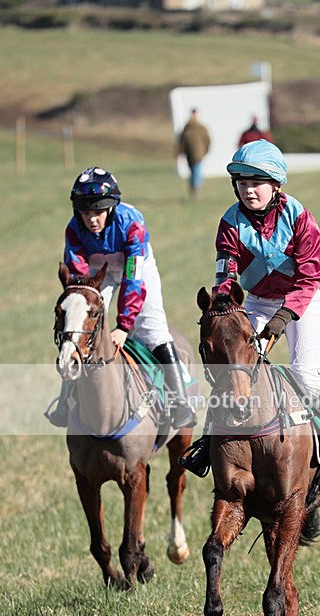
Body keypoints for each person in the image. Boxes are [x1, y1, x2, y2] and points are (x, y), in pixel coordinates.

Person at [180, 139, 320, 487]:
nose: (248, 191)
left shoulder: (299, 218)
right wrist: (224, 307)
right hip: (255, 302)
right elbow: (225, 272)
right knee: (232, 369)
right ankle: (207, 446)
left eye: (255, 184)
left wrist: (283, 318)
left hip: (302, 302)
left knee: (306, 374)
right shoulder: (230, 222)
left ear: (275, 184)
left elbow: (310, 276)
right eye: (242, 184)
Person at [46, 166, 196, 430]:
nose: (92, 219)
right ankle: (64, 401)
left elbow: (133, 278)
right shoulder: (73, 230)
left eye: (98, 212)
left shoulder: (131, 223)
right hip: (97, 273)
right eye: (86, 213)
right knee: (77, 328)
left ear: (111, 208)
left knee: (154, 329)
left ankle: (180, 403)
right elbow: (79, 278)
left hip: (135, 268)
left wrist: (125, 326)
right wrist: (81, 299)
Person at [177, 108, 211, 198]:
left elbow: (207, 141)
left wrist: (204, 152)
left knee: (196, 172)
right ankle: (193, 190)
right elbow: (182, 143)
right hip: (189, 155)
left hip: (198, 155)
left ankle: (195, 191)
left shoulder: (201, 128)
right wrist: (178, 155)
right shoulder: (187, 128)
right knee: (193, 173)